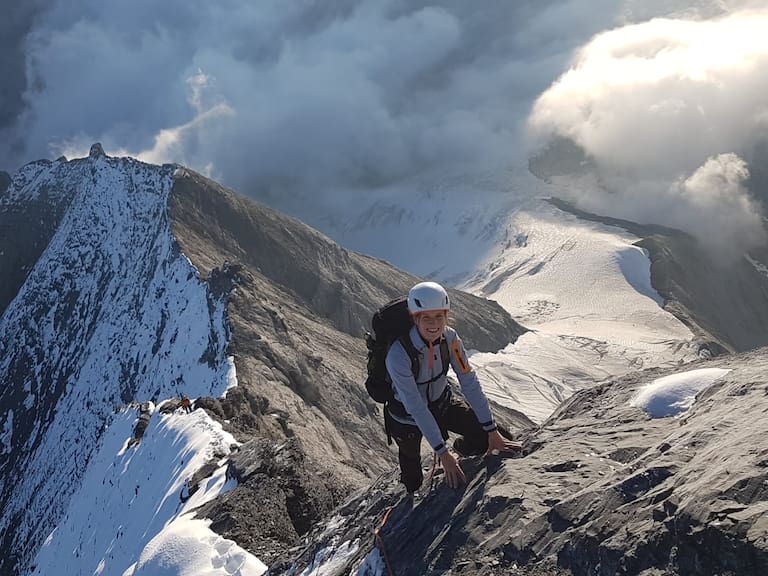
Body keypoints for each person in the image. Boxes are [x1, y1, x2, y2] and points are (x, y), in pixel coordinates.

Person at [385, 281, 521, 493]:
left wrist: (492, 431)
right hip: (406, 417)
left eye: (439, 316)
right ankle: (410, 495)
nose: (434, 324)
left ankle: (462, 448)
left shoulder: (450, 338)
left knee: (499, 438)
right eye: (426, 317)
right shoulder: (398, 355)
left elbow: (469, 382)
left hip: (442, 403)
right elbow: (416, 406)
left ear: (446, 316)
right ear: (415, 318)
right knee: (413, 481)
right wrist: (442, 453)